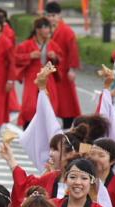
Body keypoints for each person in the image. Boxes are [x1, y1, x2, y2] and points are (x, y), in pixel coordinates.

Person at [15, 17, 63, 128]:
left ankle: (46, 129)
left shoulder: (53, 45)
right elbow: (16, 58)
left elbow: (60, 59)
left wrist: (55, 57)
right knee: (30, 105)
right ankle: (28, 127)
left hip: (48, 78)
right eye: (45, 27)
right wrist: (29, 56)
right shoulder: (26, 45)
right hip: (32, 77)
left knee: (49, 104)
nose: (47, 30)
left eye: (48, 28)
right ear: (37, 30)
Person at [45, 1, 81, 129]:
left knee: (67, 104)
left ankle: (67, 126)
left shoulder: (67, 31)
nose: (51, 18)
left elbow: (73, 51)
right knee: (49, 102)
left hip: (64, 72)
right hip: (49, 72)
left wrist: (71, 69)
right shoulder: (44, 30)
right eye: (49, 15)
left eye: (54, 15)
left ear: (59, 16)